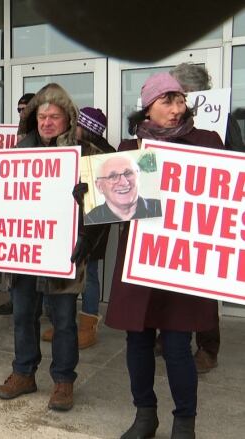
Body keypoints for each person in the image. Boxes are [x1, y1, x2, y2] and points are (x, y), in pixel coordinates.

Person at [101, 72, 222, 439]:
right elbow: (114, 204)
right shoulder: (131, 147)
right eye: (165, 101)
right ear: (148, 108)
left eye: (179, 100)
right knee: (137, 341)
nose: (174, 109)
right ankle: (145, 415)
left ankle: (184, 421)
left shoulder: (207, 142)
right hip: (140, 257)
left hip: (180, 261)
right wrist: (89, 197)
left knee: (176, 344)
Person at [0, 83, 108, 412]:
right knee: (23, 315)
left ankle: (63, 381)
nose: (47, 122)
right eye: (42, 116)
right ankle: (23, 373)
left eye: (54, 116)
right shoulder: (15, 154)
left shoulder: (85, 155)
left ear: (68, 120)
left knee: (64, 320)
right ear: (33, 119)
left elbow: (105, 207)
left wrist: (87, 232)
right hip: (23, 251)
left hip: (64, 254)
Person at [170, 62, 235, 374]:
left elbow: (236, 166)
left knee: (204, 291)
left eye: (178, 93)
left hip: (204, 215)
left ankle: (208, 348)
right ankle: (168, 337)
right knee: (168, 284)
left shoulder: (224, 121)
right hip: (172, 214)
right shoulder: (166, 121)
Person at [43, 107, 116, 349]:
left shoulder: (106, 155)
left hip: (93, 228)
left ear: (89, 129)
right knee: (64, 272)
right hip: (67, 224)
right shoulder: (67, 149)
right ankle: (63, 323)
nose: (74, 129)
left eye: (79, 125)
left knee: (90, 275)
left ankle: (88, 327)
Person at [0, 92, 38, 315]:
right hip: (16, 207)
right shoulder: (17, 138)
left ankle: (44, 307)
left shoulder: (42, 138)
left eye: (26, 109)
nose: (23, 113)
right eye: (20, 109)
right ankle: (15, 300)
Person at [84, 154, 161, 224]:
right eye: (113, 176)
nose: (124, 182)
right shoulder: (90, 220)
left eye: (128, 173)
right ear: (99, 186)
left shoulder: (160, 207)